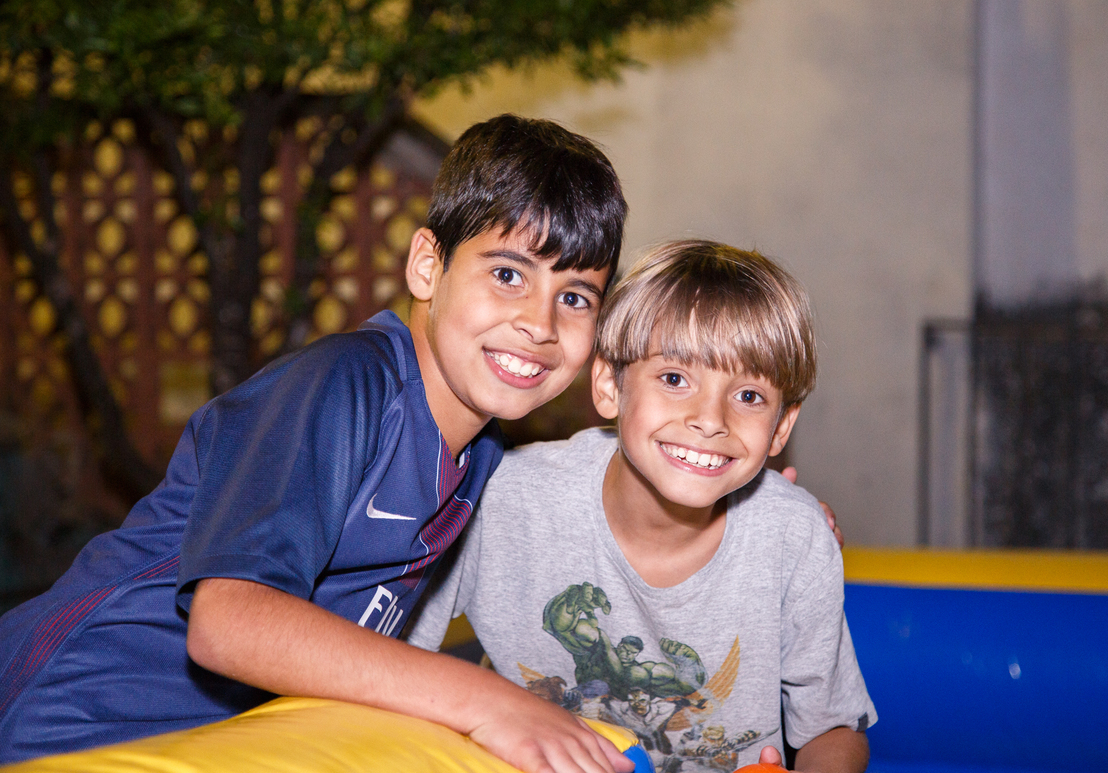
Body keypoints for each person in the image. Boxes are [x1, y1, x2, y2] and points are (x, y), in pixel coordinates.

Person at [0, 114, 637, 773]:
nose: (539, 323)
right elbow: (229, 622)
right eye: (508, 274)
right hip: (60, 721)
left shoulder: (478, 457)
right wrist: (486, 700)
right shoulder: (346, 382)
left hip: (226, 747)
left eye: (576, 298)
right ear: (427, 264)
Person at [405, 240, 877, 773]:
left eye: (749, 396)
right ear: (609, 385)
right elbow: (396, 663)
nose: (709, 419)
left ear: (780, 428)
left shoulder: (795, 536)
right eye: (675, 379)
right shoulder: (503, 503)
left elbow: (832, 727)